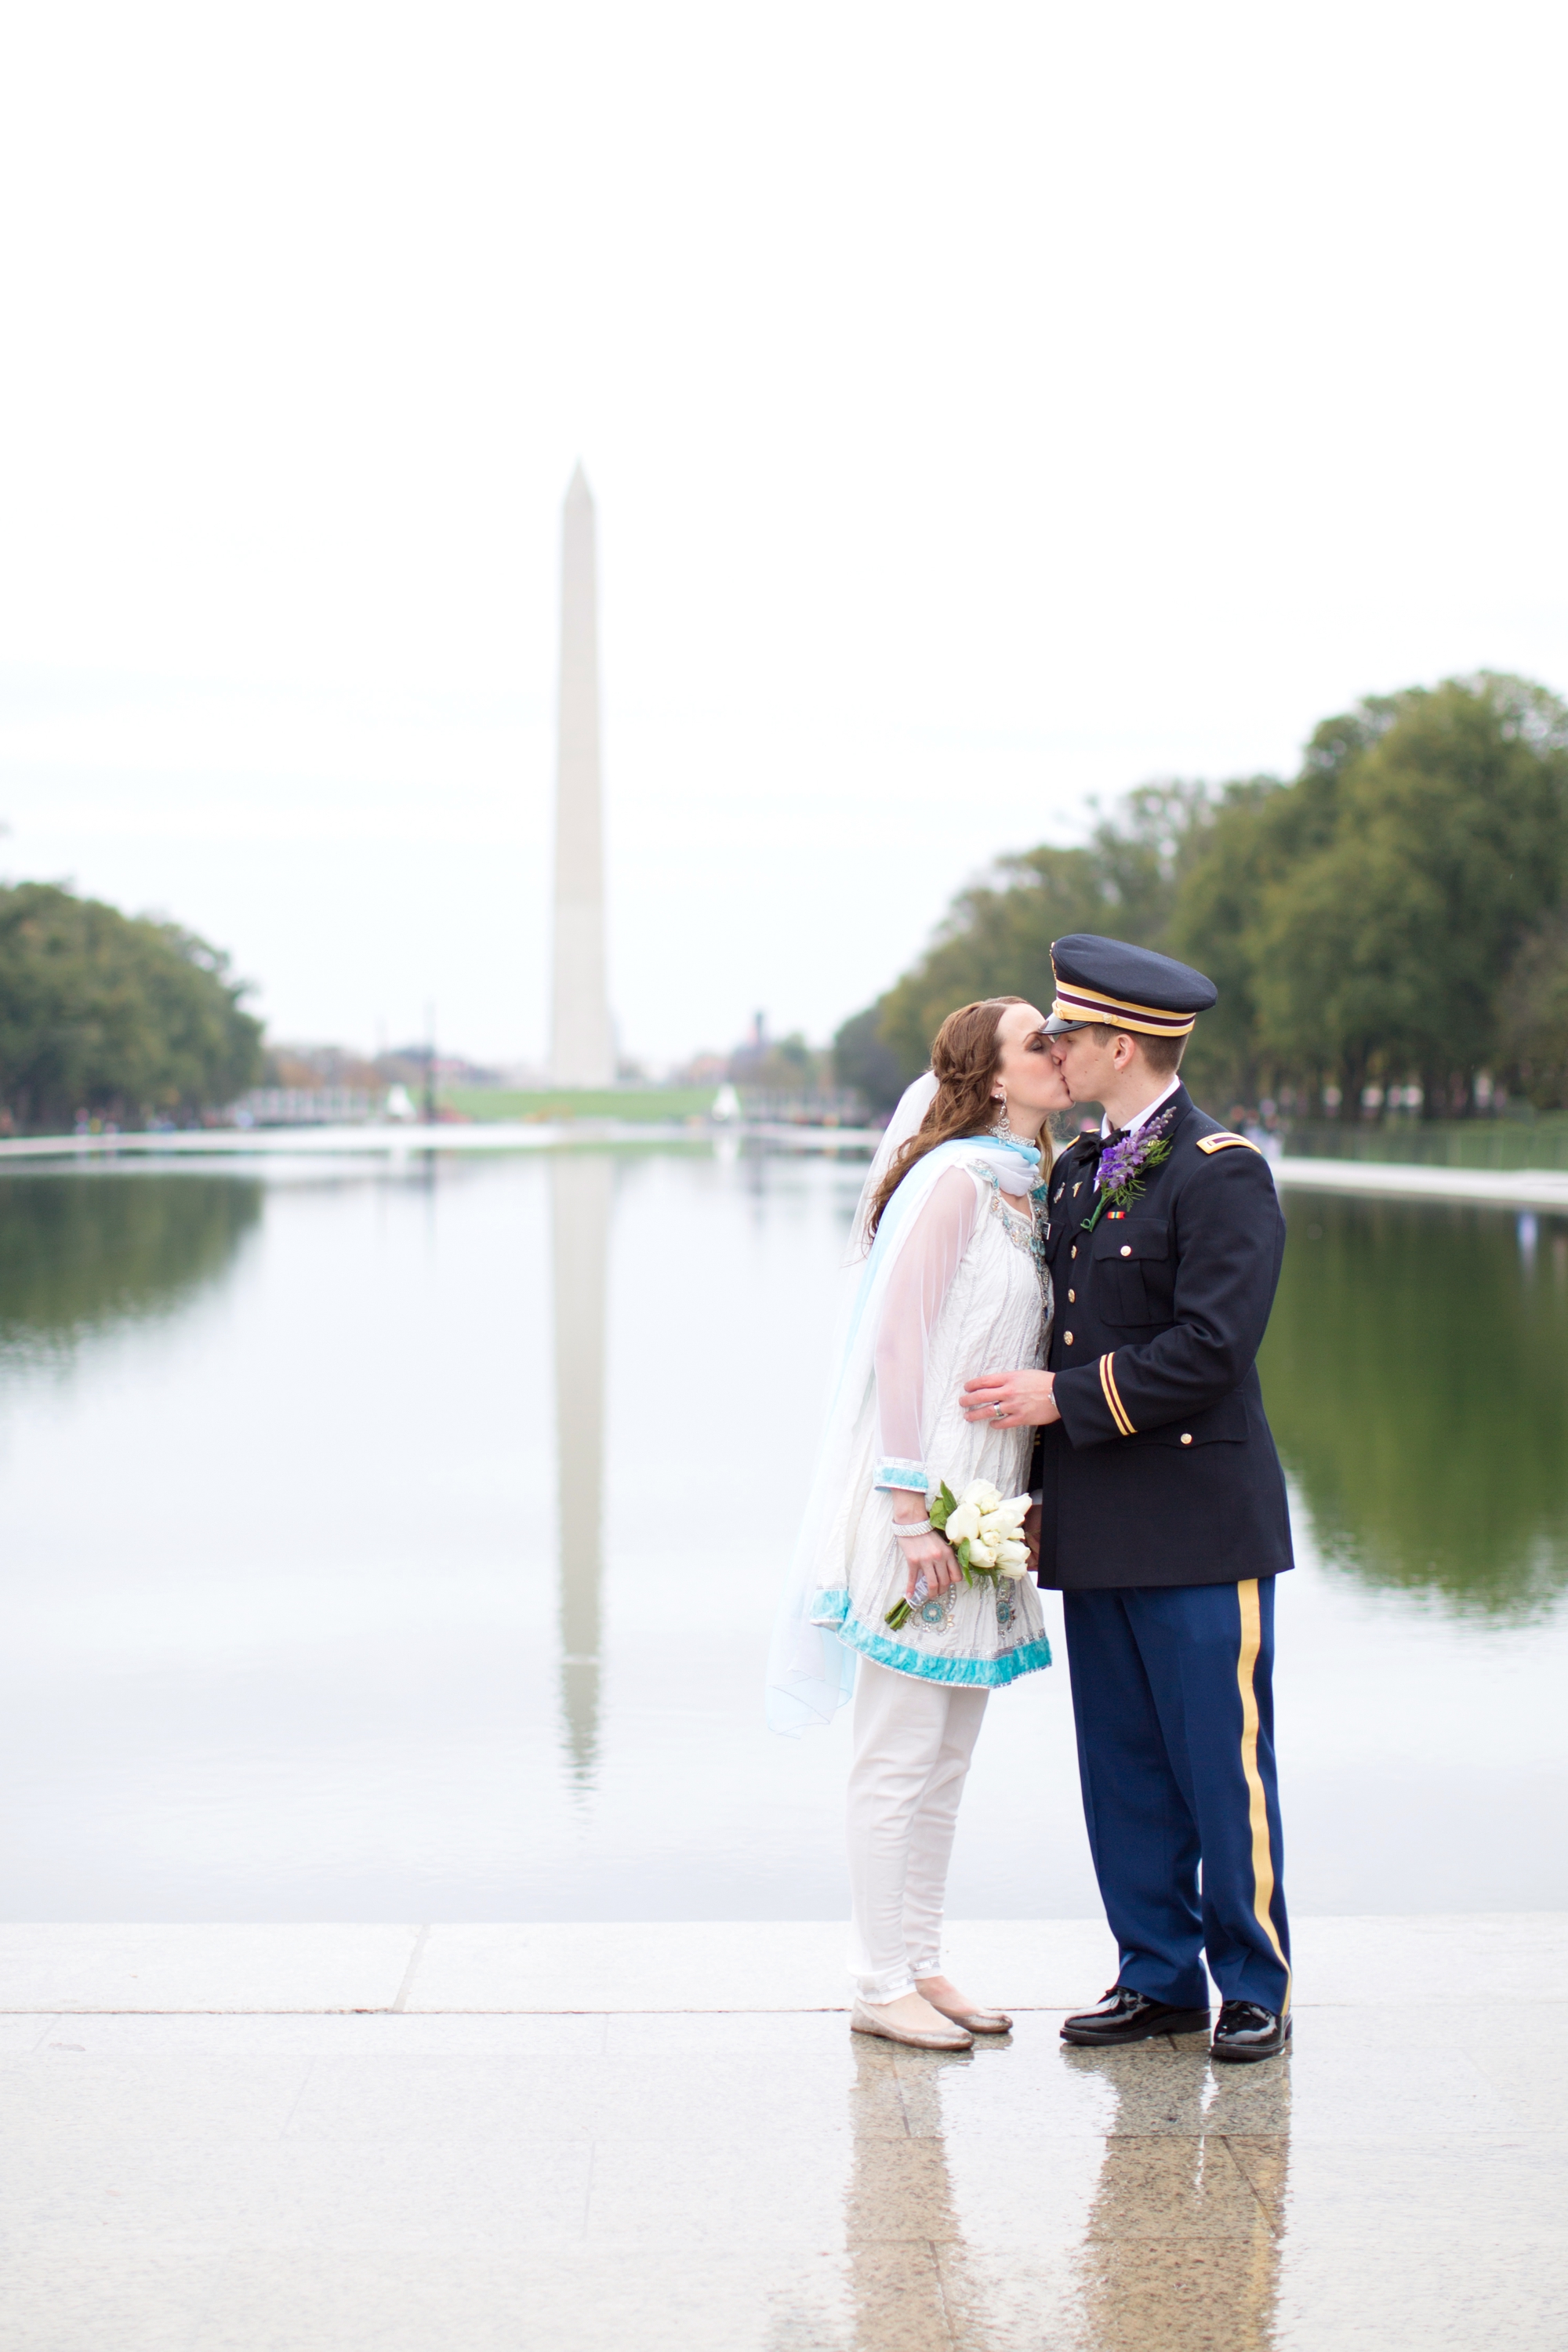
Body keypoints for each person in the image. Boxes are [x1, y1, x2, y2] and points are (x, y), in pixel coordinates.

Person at [962, 935, 1294, 2064]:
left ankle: (1253, 1983)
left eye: (1066, 1033)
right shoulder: (1073, 1173)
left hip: (1201, 1522)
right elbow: (1069, 1324)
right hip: (1102, 1519)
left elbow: (1210, 1348)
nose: (1053, 1047)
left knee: (1221, 1766)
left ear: (1118, 1044)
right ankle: (1156, 1977)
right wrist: (1044, 1491)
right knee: (1125, 1770)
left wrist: (1059, 1402)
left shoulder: (1221, 1169)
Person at [767, 998, 1067, 2050]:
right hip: (925, 1498)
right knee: (896, 1752)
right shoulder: (952, 1183)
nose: (1059, 1051)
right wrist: (909, 1509)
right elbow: (899, 1342)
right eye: (1040, 1041)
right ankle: (873, 1975)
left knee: (947, 1753)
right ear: (990, 1078)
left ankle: (922, 1960)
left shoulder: (1029, 1191)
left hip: (986, 1499)